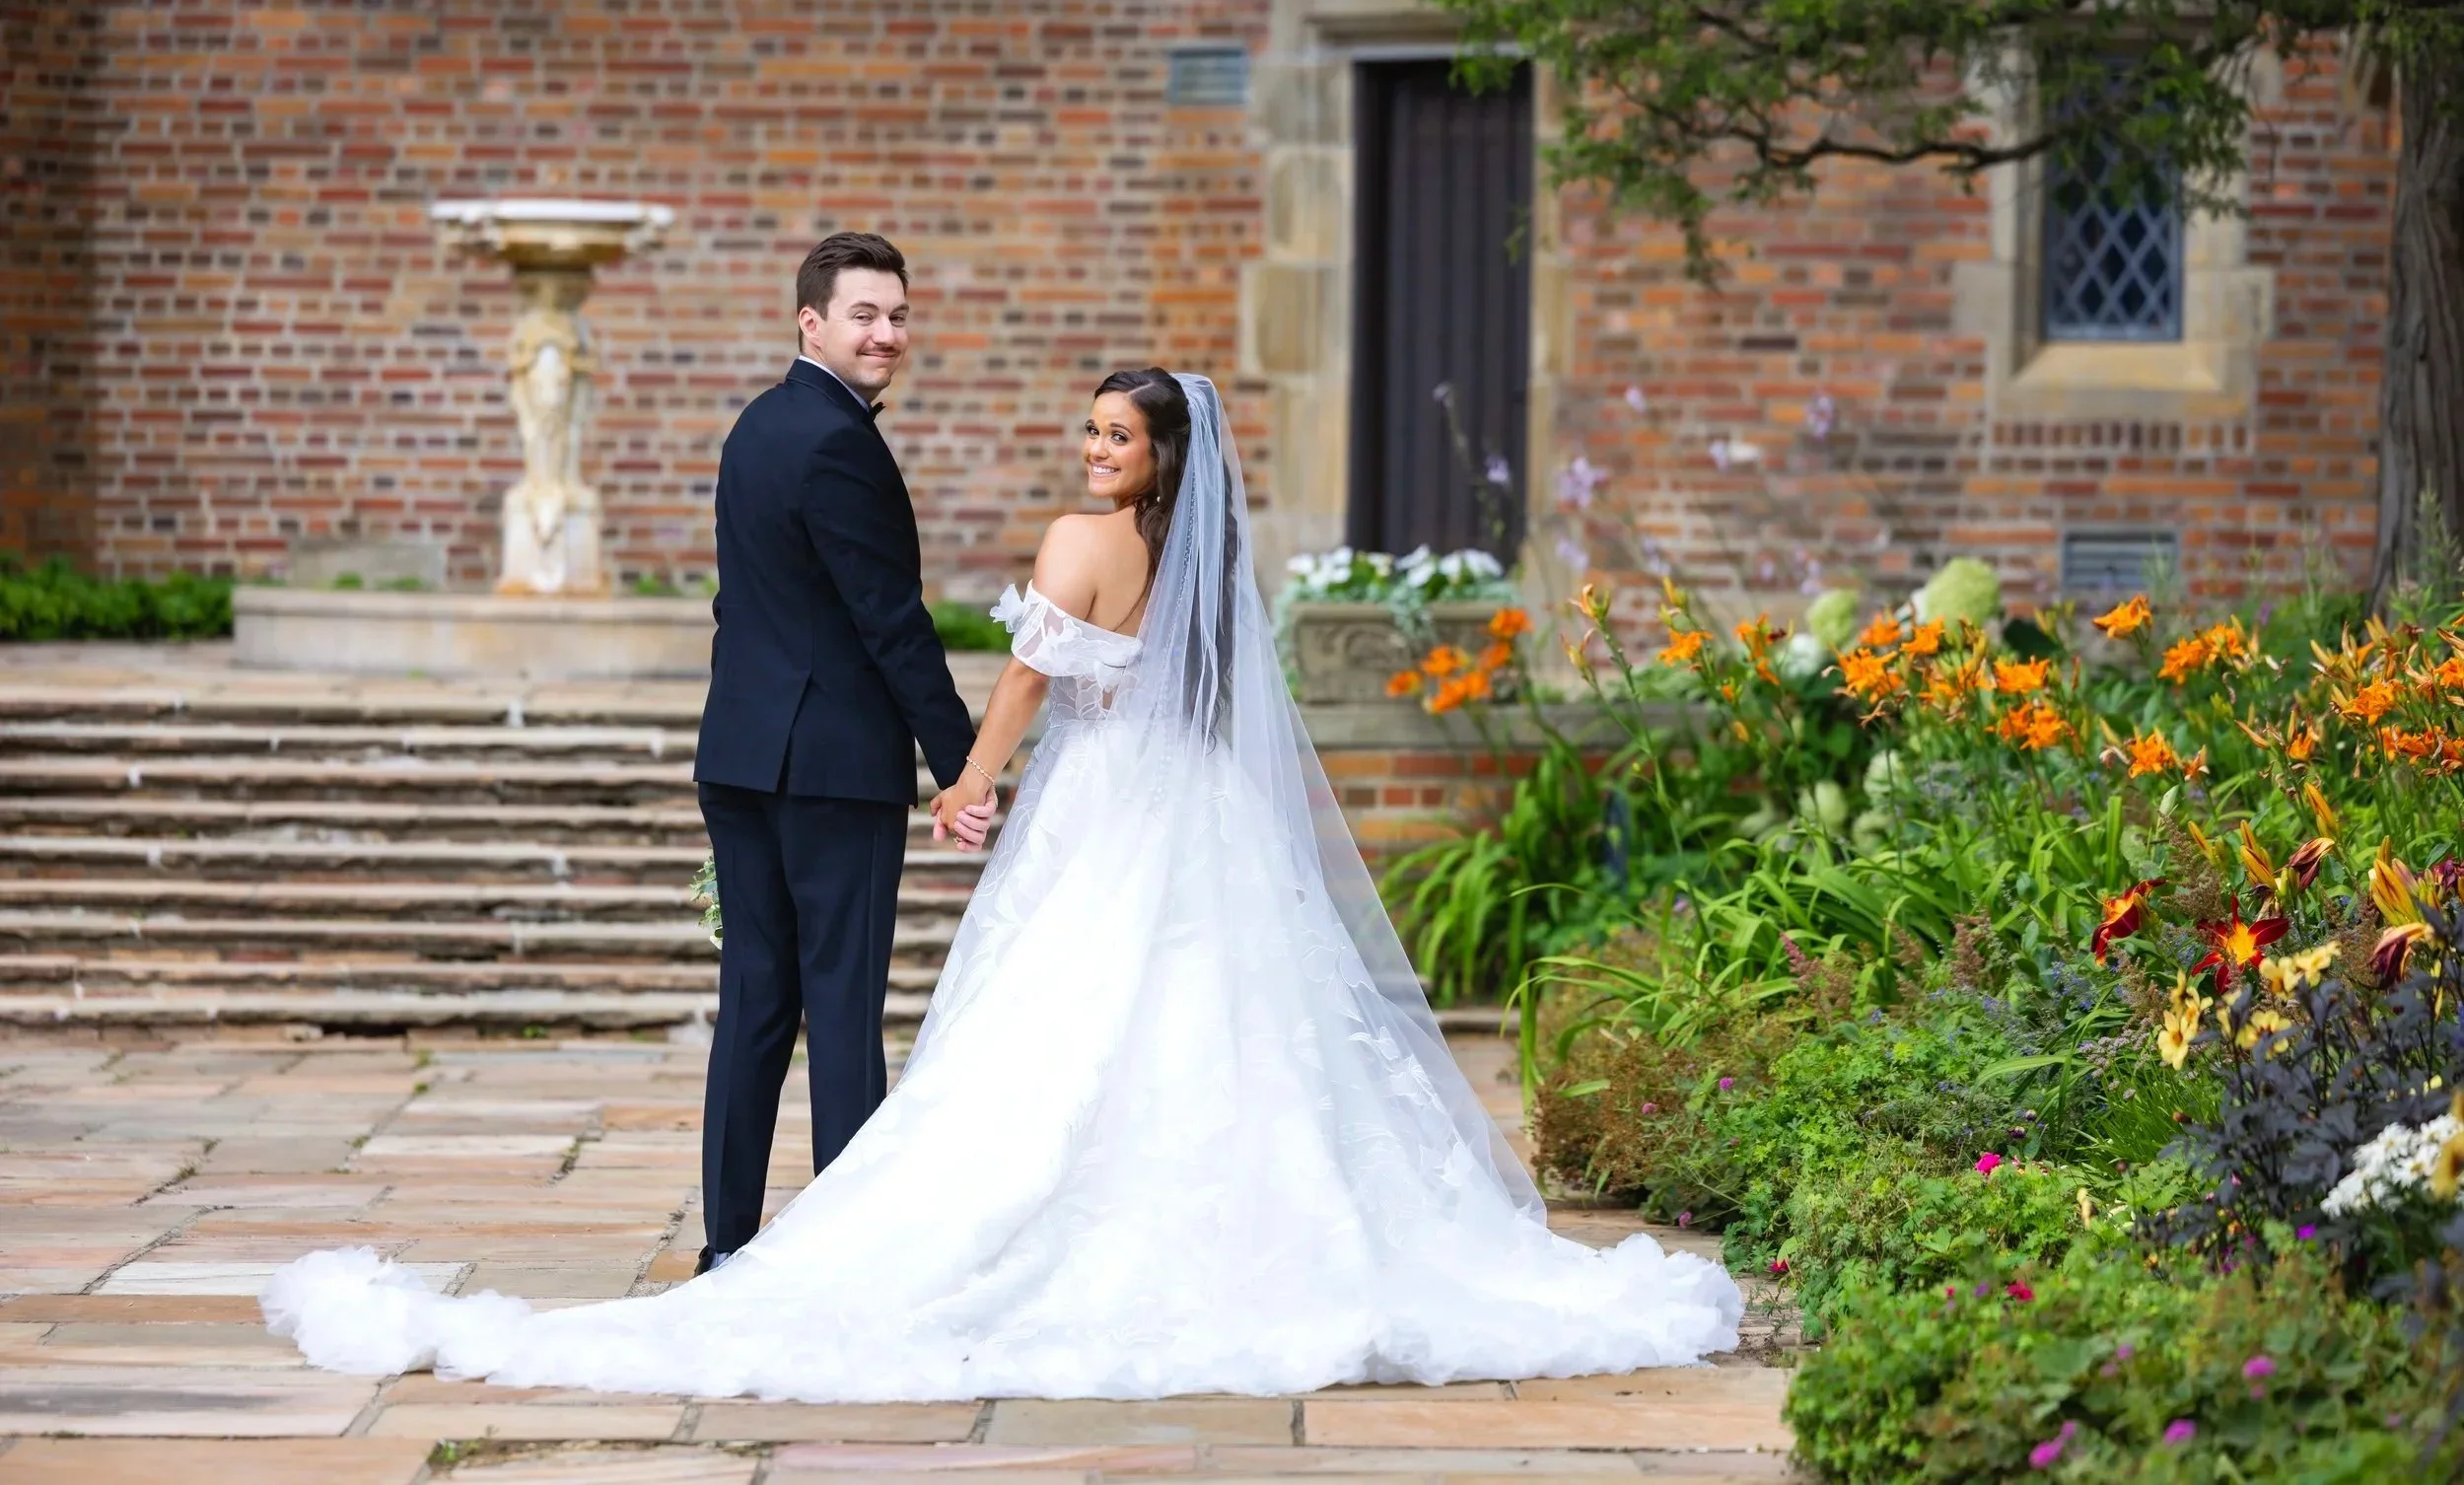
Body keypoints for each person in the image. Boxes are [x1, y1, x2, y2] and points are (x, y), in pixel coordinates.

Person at [261, 368, 1743, 1398]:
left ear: (1161, 457)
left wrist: (964, 788)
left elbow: (1029, 688)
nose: (1094, 450)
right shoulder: (1204, 569)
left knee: (1058, 1028)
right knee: (1205, 1026)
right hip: (1188, 823)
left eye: (1116, 436)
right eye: (1089, 432)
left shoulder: (1080, 543)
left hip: (1097, 815)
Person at [680, 230, 996, 1276]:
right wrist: (962, 766)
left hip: (742, 753)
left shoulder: (757, 426)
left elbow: (746, 602)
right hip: (832, 766)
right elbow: (889, 620)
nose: (888, 334)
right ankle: (845, 1261)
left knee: (757, 1009)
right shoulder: (838, 442)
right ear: (810, 320)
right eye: (866, 314)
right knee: (846, 1008)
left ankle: (729, 1246)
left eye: (899, 315)